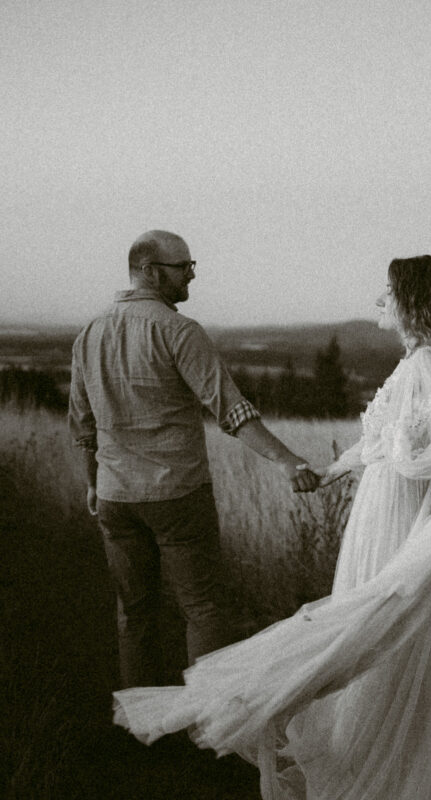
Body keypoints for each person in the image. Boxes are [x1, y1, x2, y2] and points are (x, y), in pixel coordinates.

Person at [113, 255, 431, 800]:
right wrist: (326, 474)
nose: (379, 298)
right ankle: (376, 762)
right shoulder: (410, 361)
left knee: (380, 635)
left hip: (400, 520)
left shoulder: (429, 362)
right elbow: (377, 447)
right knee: (369, 634)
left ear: (413, 302)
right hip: (377, 515)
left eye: (389, 291)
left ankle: (400, 783)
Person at [69, 230, 319, 690]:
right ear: (149, 270)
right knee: (203, 609)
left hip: (114, 497)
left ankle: (142, 731)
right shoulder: (179, 331)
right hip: (177, 494)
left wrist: (92, 483)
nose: (192, 274)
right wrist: (287, 462)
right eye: (183, 267)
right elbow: (231, 410)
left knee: (134, 611)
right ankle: (211, 727)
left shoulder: (89, 334)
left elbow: (83, 426)